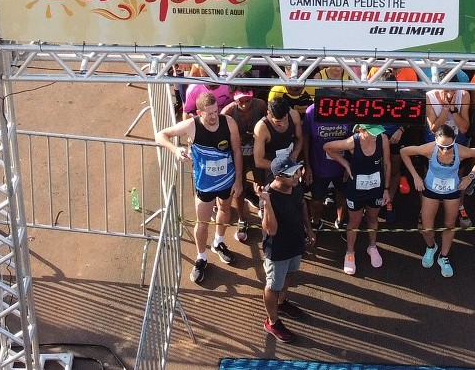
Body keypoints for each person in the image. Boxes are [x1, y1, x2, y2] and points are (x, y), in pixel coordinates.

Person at [156, 88, 245, 284]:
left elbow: (237, 151)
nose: (214, 116)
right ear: (199, 113)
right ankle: (201, 257)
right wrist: (175, 149)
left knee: (225, 210)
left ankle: (219, 243)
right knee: (202, 221)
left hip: (227, 179)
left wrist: (238, 181)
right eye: (209, 113)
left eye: (216, 111)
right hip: (204, 183)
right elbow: (160, 135)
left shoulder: (228, 122)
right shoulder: (191, 125)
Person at [401, 123, 475, 277]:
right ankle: (431, 247)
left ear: (454, 141)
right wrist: (416, 177)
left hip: (452, 191)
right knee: (427, 227)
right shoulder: (429, 148)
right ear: (435, 141)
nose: (444, 150)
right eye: (441, 146)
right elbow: (403, 152)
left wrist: (470, 176)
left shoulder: (460, 151)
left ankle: (444, 256)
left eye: (448, 146)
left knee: (449, 224)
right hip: (431, 190)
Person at [258, 157, 314, 342]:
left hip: (295, 243)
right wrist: (266, 203)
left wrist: (309, 228)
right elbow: (271, 230)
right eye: (292, 174)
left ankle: (281, 303)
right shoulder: (269, 196)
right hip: (278, 250)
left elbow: (302, 204)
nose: (297, 176)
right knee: (273, 285)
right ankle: (272, 322)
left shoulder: (296, 186)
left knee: (290, 273)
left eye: (298, 170)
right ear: (278, 176)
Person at [324, 124, 392, 274]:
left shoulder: (383, 139)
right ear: (361, 130)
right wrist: (345, 164)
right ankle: (350, 252)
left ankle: (372, 246)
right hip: (356, 189)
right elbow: (328, 147)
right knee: (354, 221)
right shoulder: (352, 142)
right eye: (372, 133)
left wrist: (386, 189)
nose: (375, 135)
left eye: (377, 132)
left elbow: (387, 164)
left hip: (376, 188)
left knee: (373, 219)